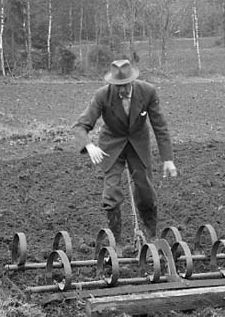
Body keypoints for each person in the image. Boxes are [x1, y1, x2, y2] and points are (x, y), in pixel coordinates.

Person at [73, 58, 177, 246]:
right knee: (111, 191)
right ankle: (117, 244)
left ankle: (151, 236)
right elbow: (80, 126)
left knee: (145, 190)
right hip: (112, 145)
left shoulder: (147, 91)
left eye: (125, 85)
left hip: (138, 143)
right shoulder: (102, 95)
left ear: (132, 81)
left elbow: (160, 126)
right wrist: (89, 145)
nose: (121, 89)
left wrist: (168, 159)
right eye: (117, 85)